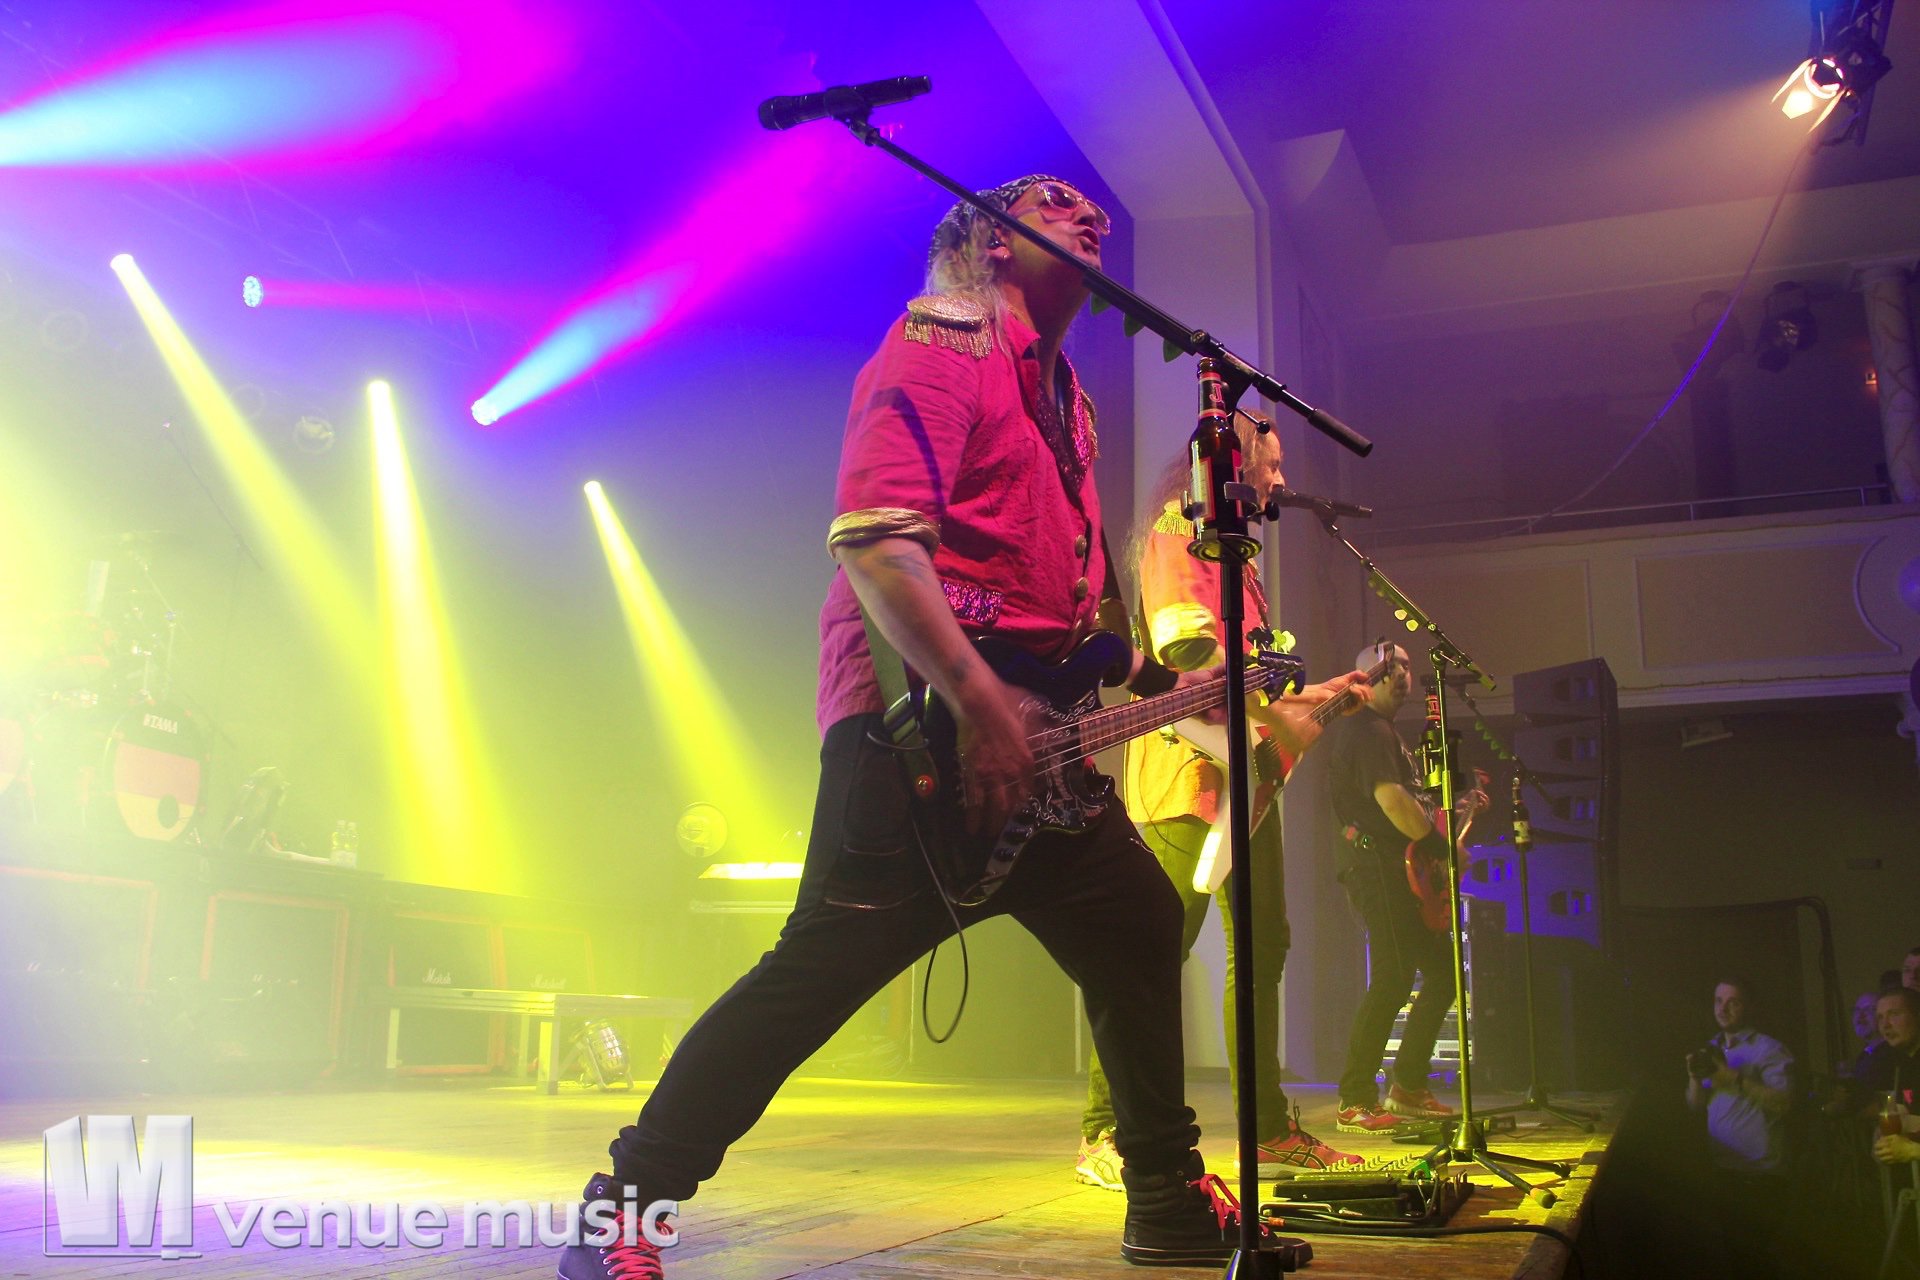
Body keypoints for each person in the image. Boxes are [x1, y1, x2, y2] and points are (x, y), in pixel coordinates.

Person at [557, 175, 1367, 1279]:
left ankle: (1166, 1197)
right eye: (1055, 201)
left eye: (1092, 207)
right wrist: (984, 707)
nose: (1091, 215)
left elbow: (1062, 608)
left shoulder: (1069, 399)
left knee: (1138, 918)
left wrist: (1145, 672)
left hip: (1037, 747)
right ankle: (623, 1207)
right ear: (990, 241)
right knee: (812, 978)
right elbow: (879, 543)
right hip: (921, 732)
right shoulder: (937, 344)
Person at [1074, 418, 1359, 1191]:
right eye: (1271, 465)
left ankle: (1266, 1132)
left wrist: (1320, 694)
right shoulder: (1181, 531)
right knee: (1150, 953)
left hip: (1246, 780)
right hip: (1186, 779)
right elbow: (1187, 650)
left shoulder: (1238, 557)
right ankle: (1106, 1130)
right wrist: (1269, 696)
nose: (1279, 482)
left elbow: (1253, 678)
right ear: (1232, 465)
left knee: (1263, 948)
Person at [1320, 642, 1459, 1133]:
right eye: (1391, 666)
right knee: (1394, 978)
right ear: (1365, 678)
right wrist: (1439, 845)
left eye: (1406, 665)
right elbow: (1392, 800)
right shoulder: (1367, 730)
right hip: (1376, 869)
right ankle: (1355, 1098)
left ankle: (1408, 1086)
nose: (1402, 673)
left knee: (1443, 973)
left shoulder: (1384, 733)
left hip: (1395, 869)